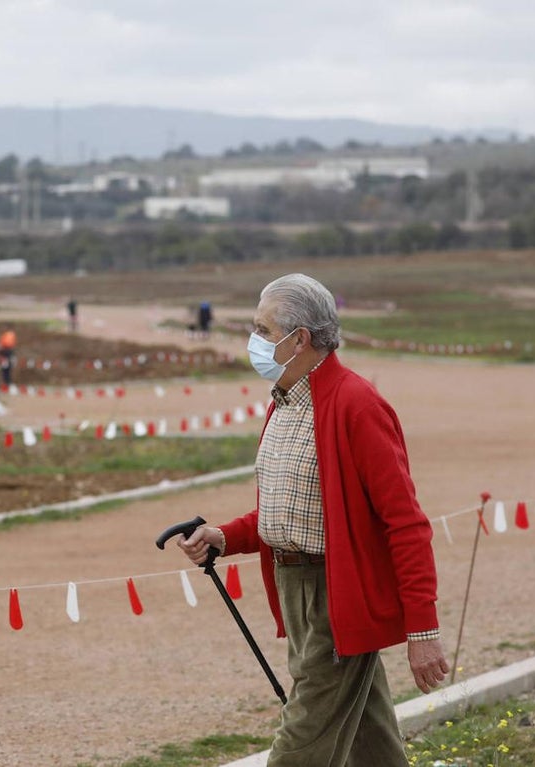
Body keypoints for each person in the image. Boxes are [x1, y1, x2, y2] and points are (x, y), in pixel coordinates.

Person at [177, 273, 447, 766]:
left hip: (337, 591)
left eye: (263, 328)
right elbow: (293, 507)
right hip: (294, 585)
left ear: (298, 338)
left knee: (302, 743)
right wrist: (225, 537)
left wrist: (422, 630)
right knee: (371, 740)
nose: (253, 340)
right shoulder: (284, 402)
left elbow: (405, 523)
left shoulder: (356, 404)